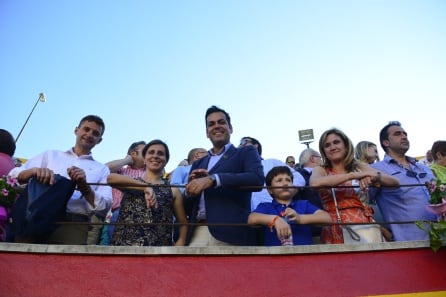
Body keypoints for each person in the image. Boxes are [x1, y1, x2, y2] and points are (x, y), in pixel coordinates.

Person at [8, 115, 112, 244]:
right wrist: (33, 171)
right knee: (24, 262)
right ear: (76, 130)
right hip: (36, 218)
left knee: (66, 263)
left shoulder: (102, 169)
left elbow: (104, 206)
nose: (89, 134)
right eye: (86, 129)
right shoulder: (50, 155)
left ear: (99, 140)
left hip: (73, 225)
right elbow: (13, 177)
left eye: (95, 133)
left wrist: (85, 188)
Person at [184, 105, 264, 246]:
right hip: (198, 232)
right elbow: (188, 206)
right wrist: (191, 191)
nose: (216, 126)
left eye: (221, 122)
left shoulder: (245, 152)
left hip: (231, 233)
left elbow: (257, 180)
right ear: (207, 133)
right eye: (211, 124)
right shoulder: (198, 163)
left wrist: (214, 179)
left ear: (230, 128)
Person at [310, 128, 399, 244]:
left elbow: (394, 182)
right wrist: (353, 176)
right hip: (336, 228)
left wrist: (372, 177)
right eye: (327, 145)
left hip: (365, 227)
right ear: (324, 151)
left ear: (346, 146)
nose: (332, 147)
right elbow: (314, 183)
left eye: (336, 142)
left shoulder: (358, 166)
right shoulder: (321, 169)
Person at [107, 139, 188, 246]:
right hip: (124, 246)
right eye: (151, 152)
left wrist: (181, 241)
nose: (155, 156)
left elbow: (182, 222)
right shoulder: (132, 182)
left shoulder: (173, 190)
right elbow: (109, 178)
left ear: (166, 160)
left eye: (160, 153)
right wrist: (145, 187)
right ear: (144, 159)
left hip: (159, 249)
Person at [369, 121, 436, 241]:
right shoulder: (376, 170)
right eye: (397, 134)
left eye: (405, 134)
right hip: (409, 242)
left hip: (440, 240)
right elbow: (360, 202)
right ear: (386, 142)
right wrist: (380, 229)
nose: (404, 136)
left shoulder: (424, 168)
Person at [248, 166, 331, 246]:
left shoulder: (303, 204)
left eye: (288, 180)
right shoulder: (266, 206)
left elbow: (326, 218)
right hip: (275, 257)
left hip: (304, 256)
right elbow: (251, 218)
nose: (285, 184)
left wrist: (300, 218)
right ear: (270, 190)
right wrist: (275, 220)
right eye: (279, 180)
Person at [238, 136, 305, 211]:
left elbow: (298, 178)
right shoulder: (237, 170)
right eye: (239, 144)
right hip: (246, 217)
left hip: (275, 214)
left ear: (255, 146)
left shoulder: (271, 163)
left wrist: (289, 192)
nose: (240, 145)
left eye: (244, 142)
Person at [102, 141, 147, 245]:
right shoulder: (120, 171)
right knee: (115, 246)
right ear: (133, 153)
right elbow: (104, 169)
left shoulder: (150, 172)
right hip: (120, 212)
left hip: (145, 212)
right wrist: (127, 159)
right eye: (145, 151)